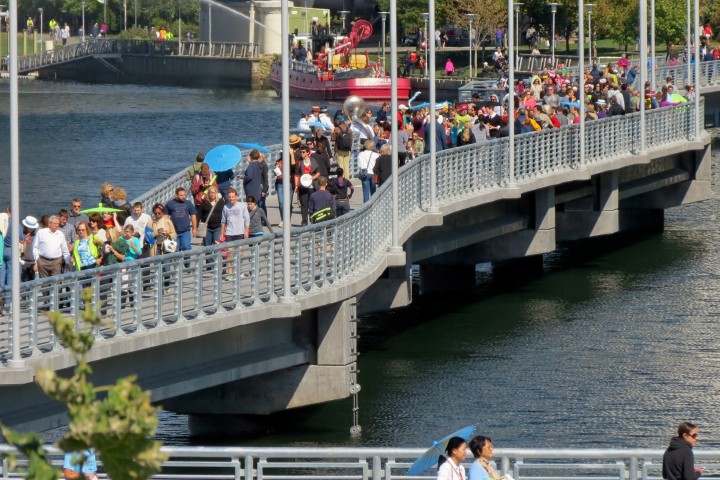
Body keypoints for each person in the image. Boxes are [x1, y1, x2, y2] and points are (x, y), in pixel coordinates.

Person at [164, 187, 197, 252]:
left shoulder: (188, 203)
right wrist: (167, 230)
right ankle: (177, 262)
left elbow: (193, 216)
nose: (183, 196)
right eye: (181, 195)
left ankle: (187, 262)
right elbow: (166, 218)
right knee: (175, 249)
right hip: (174, 232)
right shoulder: (170, 204)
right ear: (176, 195)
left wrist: (194, 228)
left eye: (184, 195)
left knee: (186, 247)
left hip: (185, 230)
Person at [294, 145, 320, 226]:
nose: (302, 153)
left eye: (303, 152)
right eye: (301, 152)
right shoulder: (299, 162)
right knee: (304, 204)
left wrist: (313, 177)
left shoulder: (313, 161)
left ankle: (313, 219)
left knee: (312, 204)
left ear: (308, 153)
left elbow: (318, 172)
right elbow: (296, 174)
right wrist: (296, 185)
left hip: (312, 186)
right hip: (302, 186)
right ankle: (304, 221)